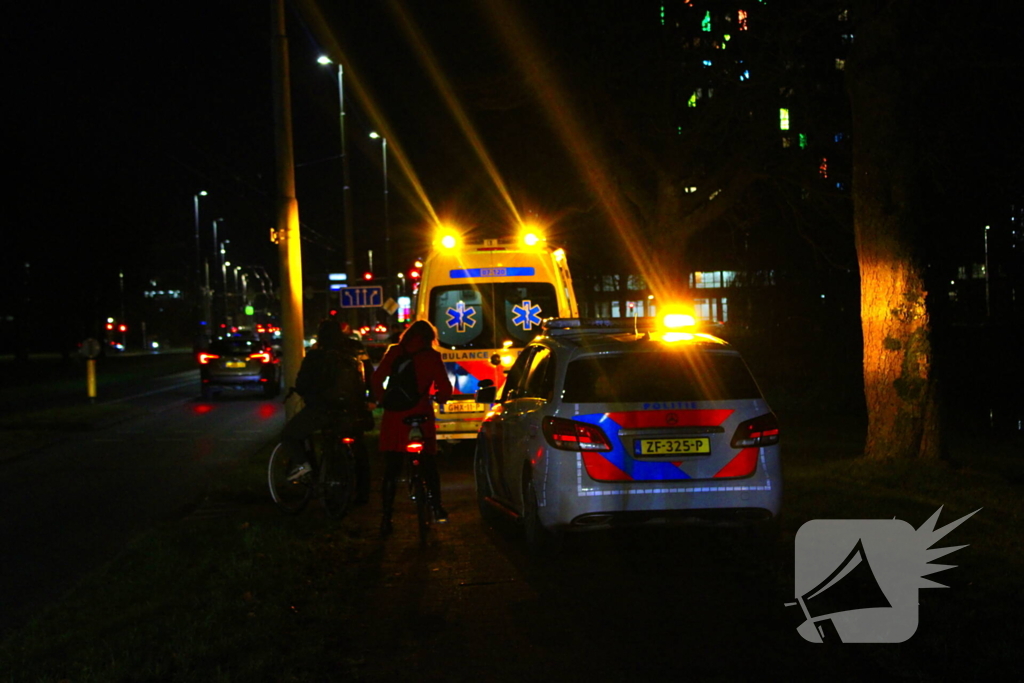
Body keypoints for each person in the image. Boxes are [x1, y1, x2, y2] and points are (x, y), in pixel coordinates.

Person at [371, 319, 453, 537]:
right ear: (429, 339)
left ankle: (386, 518)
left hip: (395, 418)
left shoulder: (394, 352)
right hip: (420, 415)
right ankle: (437, 507)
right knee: (428, 463)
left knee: (392, 468)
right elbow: (445, 388)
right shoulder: (431, 356)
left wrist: (383, 400)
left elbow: (376, 379)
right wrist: (441, 397)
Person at [280, 319, 367, 482]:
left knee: (289, 434)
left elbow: (302, 383)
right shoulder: (350, 358)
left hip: (320, 410)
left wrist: (301, 391)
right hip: (346, 411)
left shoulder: (314, 357)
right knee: (353, 446)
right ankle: (356, 488)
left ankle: (303, 465)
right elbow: (360, 385)